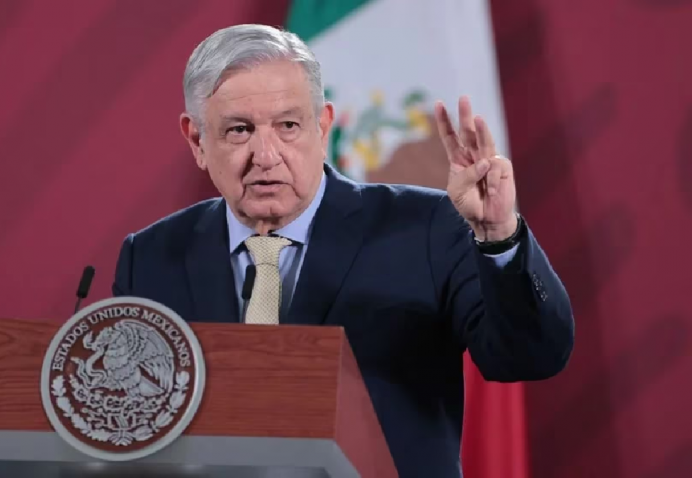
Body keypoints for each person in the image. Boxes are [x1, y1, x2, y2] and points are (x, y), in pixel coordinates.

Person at [112, 23, 574, 478]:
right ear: (197, 140)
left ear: (323, 126)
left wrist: (499, 236)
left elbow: (530, 356)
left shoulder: (425, 228)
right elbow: (123, 425)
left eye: (288, 126)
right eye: (239, 130)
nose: (266, 155)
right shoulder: (151, 257)